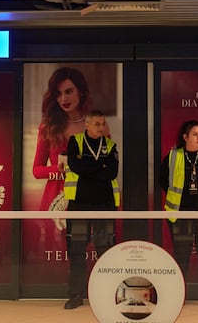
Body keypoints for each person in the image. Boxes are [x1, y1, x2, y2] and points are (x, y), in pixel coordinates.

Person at [159, 120, 198, 309]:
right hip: (180, 215)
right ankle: (178, 296)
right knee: (181, 257)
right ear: (185, 137)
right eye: (195, 134)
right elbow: (164, 181)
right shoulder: (172, 156)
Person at [63, 110, 120, 309]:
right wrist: (100, 167)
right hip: (79, 205)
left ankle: (106, 295)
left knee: (105, 250)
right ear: (87, 125)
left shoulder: (111, 145)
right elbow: (75, 166)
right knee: (77, 250)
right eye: (97, 124)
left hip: (105, 205)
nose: (101, 128)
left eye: (103, 124)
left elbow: (112, 172)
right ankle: (76, 295)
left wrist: (89, 167)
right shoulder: (75, 142)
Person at [32, 67, 93, 212]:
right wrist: (62, 170)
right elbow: (37, 170)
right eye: (58, 94)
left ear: (81, 91)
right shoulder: (48, 127)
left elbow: (106, 166)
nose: (63, 99)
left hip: (89, 194)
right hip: (56, 198)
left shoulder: (96, 125)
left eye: (69, 91)